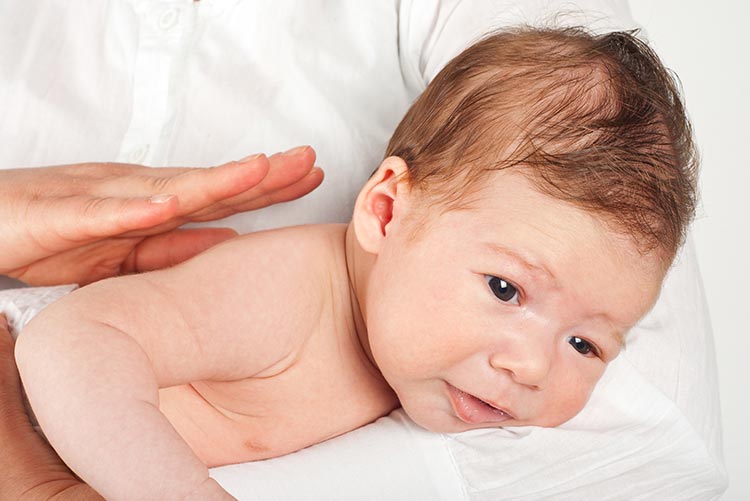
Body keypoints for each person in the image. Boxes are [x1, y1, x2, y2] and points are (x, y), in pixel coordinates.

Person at [0, 2, 726, 500]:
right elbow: (69, 343)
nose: (531, 365)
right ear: (385, 209)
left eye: (586, 343)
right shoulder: (291, 294)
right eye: (506, 289)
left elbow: (672, 443)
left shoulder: (415, 357)